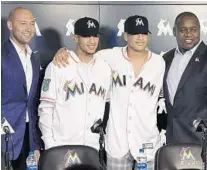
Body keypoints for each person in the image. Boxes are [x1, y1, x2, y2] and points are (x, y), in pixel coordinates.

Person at [53, 15, 165, 170]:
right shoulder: (109, 56)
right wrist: (63, 51)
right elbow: (83, 55)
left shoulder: (159, 62)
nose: (140, 38)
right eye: (135, 33)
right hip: (117, 144)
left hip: (147, 142)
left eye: (144, 33)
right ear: (126, 36)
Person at [38, 17, 111, 151]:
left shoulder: (104, 68)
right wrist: (49, 143)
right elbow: (46, 107)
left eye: (95, 36)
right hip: (62, 145)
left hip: (92, 146)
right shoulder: (58, 65)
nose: (92, 41)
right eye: (86, 36)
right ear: (75, 38)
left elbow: (107, 105)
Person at [1, 7, 41, 170]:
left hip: (29, 135)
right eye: (23, 23)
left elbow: (32, 100)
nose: (29, 28)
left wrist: (35, 141)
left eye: (31, 23)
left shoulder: (34, 57)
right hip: (5, 136)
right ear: (10, 25)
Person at [163, 11, 207, 144]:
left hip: (200, 139)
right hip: (172, 137)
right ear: (174, 31)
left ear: (200, 30)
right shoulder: (166, 58)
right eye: (183, 30)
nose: (188, 34)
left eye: (193, 30)